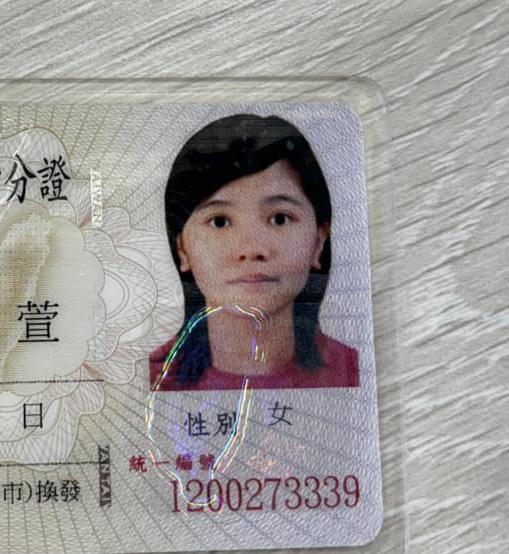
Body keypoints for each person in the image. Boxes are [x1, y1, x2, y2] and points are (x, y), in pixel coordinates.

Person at [148, 113, 359, 390]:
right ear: (182, 248)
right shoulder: (149, 380)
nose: (252, 250)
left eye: (279, 219)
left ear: (319, 240)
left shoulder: (354, 372)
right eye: (220, 222)